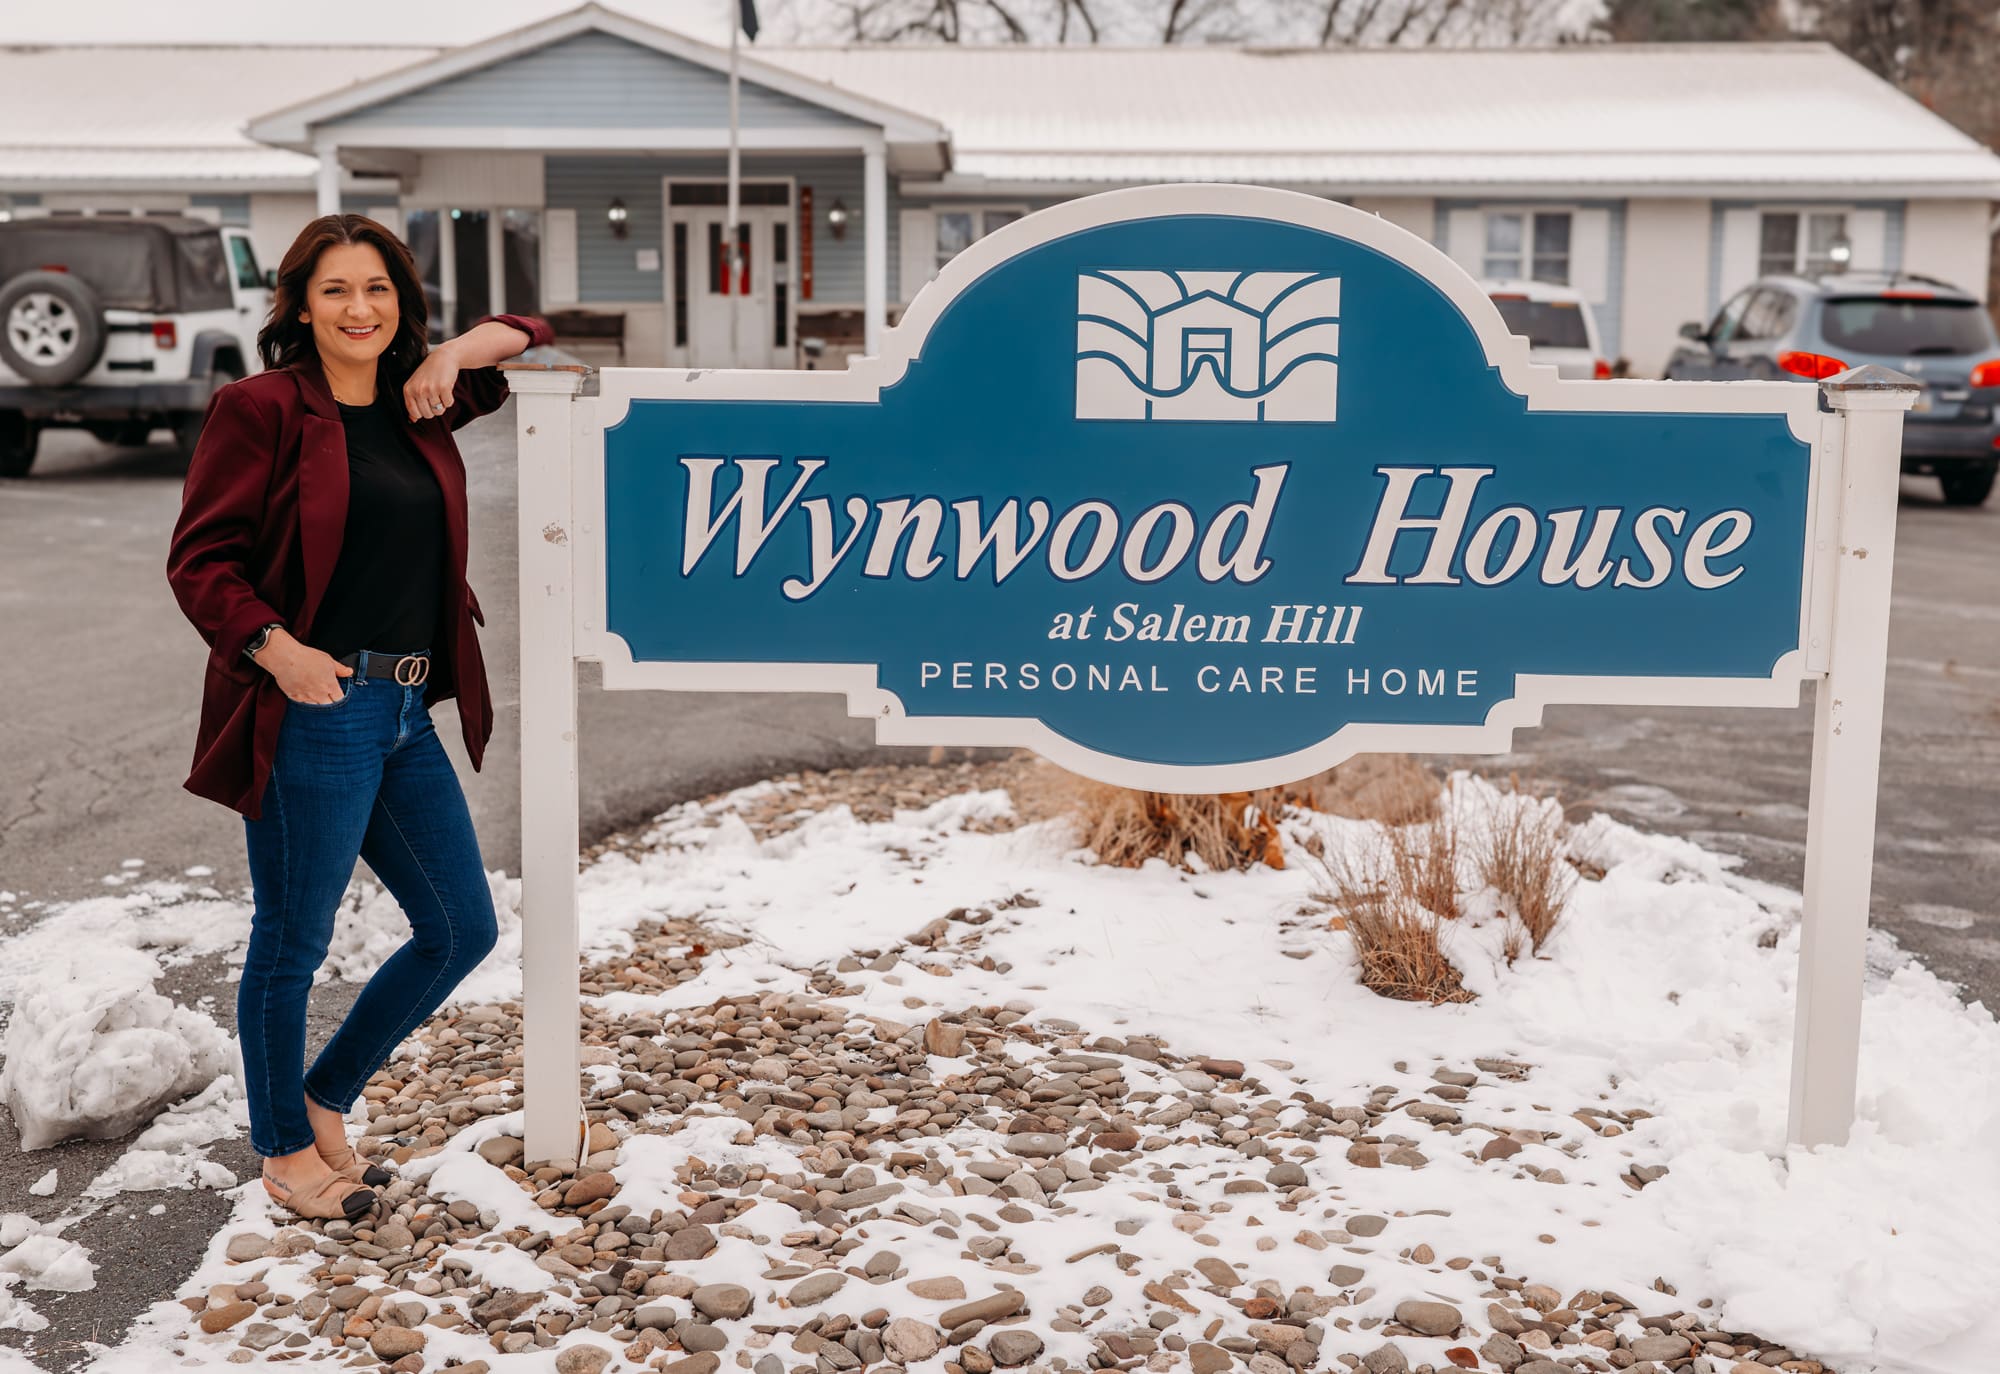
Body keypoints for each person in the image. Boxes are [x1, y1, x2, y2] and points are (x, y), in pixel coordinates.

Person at [167, 214, 552, 1221]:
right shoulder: (261, 407)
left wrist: (456, 351)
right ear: (299, 304)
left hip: (402, 711)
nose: (358, 309)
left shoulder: (416, 398)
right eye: (335, 290)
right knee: (291, 942)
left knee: (460, 928)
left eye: (376, 289)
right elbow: (201, 560)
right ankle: (287, 1153)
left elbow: (531, 329)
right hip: (315, 706)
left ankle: (322, 1096)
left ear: (400, 302)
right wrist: (278, 651)